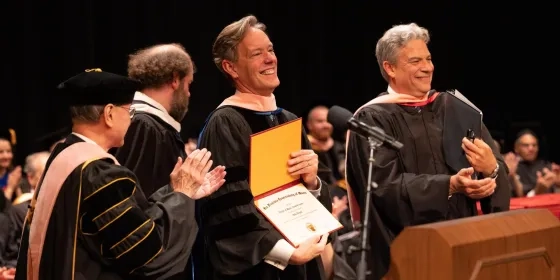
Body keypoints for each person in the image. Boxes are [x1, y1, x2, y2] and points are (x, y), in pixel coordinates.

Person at [15, 69, 226, 280]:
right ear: (109, 114)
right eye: (130, 112)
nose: (131, 120)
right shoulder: (99, 172)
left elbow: (125, 224)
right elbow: (146, 254)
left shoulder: (63, 157)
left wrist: (175, 192)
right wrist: (181, 198)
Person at [345, 23, 510, 279]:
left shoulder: (455, 107)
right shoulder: (371, 118)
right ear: (390, 68)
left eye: (429, 58)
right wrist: (450, 185)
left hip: (463, 243)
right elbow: (383, 187)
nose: (427, 67)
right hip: (406, 253)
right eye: (415, 61)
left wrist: (492, 170)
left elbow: (494, 167)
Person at [195, 15, 332, 280]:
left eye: (270, 50)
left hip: (301, 261)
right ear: (231, 68)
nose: (270, 59)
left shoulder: (288, 119)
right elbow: (228, 208)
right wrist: (287, 253)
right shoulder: (225, 122)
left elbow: (310, 197)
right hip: (256, 269)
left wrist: (313, 181)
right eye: (257, 53)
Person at [114, 43, 195, 198]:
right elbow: (136, 202)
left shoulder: (147, 123)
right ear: (175, 79)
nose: (189, 93)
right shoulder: (144, 126)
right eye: (188, 84)